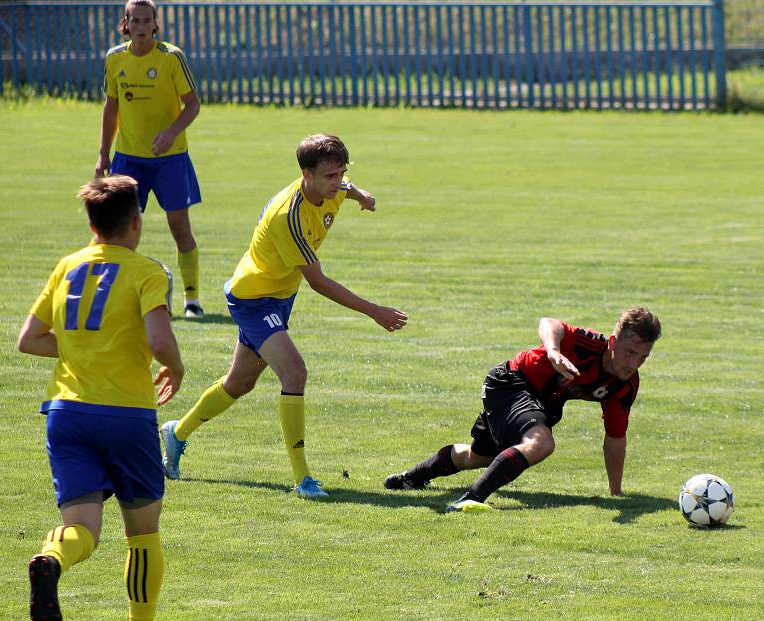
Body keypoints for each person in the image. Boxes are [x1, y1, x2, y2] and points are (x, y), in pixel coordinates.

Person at [160, 134, 408, 497]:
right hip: (255, 298)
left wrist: (362, 196)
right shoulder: (287, 217)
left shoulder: (332, 187)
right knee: (295, 371)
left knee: (239, 383)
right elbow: (319, 282)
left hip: (279, 294)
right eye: (329, 176)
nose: (337, 181)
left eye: (341, 172)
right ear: (305, 174)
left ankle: (175, 433)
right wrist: (375, 312)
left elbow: (346, 186)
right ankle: (303, 479)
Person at [18, 176, 184, 621]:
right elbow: (158, 341)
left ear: (91, 225)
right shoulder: (146, 271)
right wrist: (175, 367)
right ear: (136, 223)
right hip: (127, 415)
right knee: (143, 533)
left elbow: (29, 338)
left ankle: (51, 560)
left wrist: (81, 353)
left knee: (82, 528)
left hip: (67, 413)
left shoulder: (67, 266)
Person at [385, 307, 661, 512]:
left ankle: (411, 479)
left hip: (540, 404)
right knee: (540, 443)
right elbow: (549, 322)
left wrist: (616, 494)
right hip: (511, 382)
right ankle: (471, 498)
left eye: (643, 357)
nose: (634, 363)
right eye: (630, 352)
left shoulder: (624, 385)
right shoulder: (590, 345)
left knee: (478, 457)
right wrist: (553, 352)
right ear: (613, 343)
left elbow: (615, 436)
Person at [95, 0, 205, 319]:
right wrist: (104, 153)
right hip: (128, 159)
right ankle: (109, 294)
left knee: (178, 225)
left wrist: (171, 132)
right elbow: (111, 107)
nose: (142, 26)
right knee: (117, 227)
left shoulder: (171, 57)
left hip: (170, 159)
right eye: (135, 20)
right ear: (125, 23)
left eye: (147, 20)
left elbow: (193, 104)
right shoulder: (115, 58)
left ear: (156, 23)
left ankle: (192, 299)